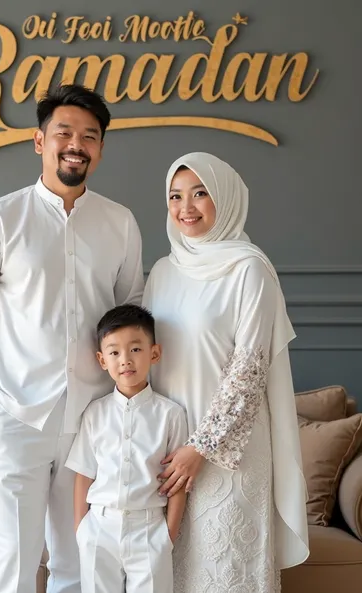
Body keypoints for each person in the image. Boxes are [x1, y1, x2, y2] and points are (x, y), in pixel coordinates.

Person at [0, 84, 144, 593]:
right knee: (12, 564)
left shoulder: (120, 223)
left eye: (89, 136)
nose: (75, 144)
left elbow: (133, 316)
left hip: (93, 419)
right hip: (15, 415)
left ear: (100, 148)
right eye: (64, 132)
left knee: (80, 562)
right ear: (40, 141)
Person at [143, 152, 309, 592]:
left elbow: (248, 372)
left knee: (226, 573)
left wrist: (201, 448)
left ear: (227, 198)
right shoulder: (162, 272)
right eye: (175, 196)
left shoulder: (250, 270)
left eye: (201, 193)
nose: (186, 207)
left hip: (229, 455)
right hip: (168, 452)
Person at [65, 304, 188, 593]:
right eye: (114, 352)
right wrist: (82, 529)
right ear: (102, 360)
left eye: (135, 349)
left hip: (149, 530)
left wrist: (168, 535)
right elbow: (84, 473)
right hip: (99, 527)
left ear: (154, 353)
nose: (125, 360)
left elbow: (178, 482)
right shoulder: (94, 413)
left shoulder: (171, 415)